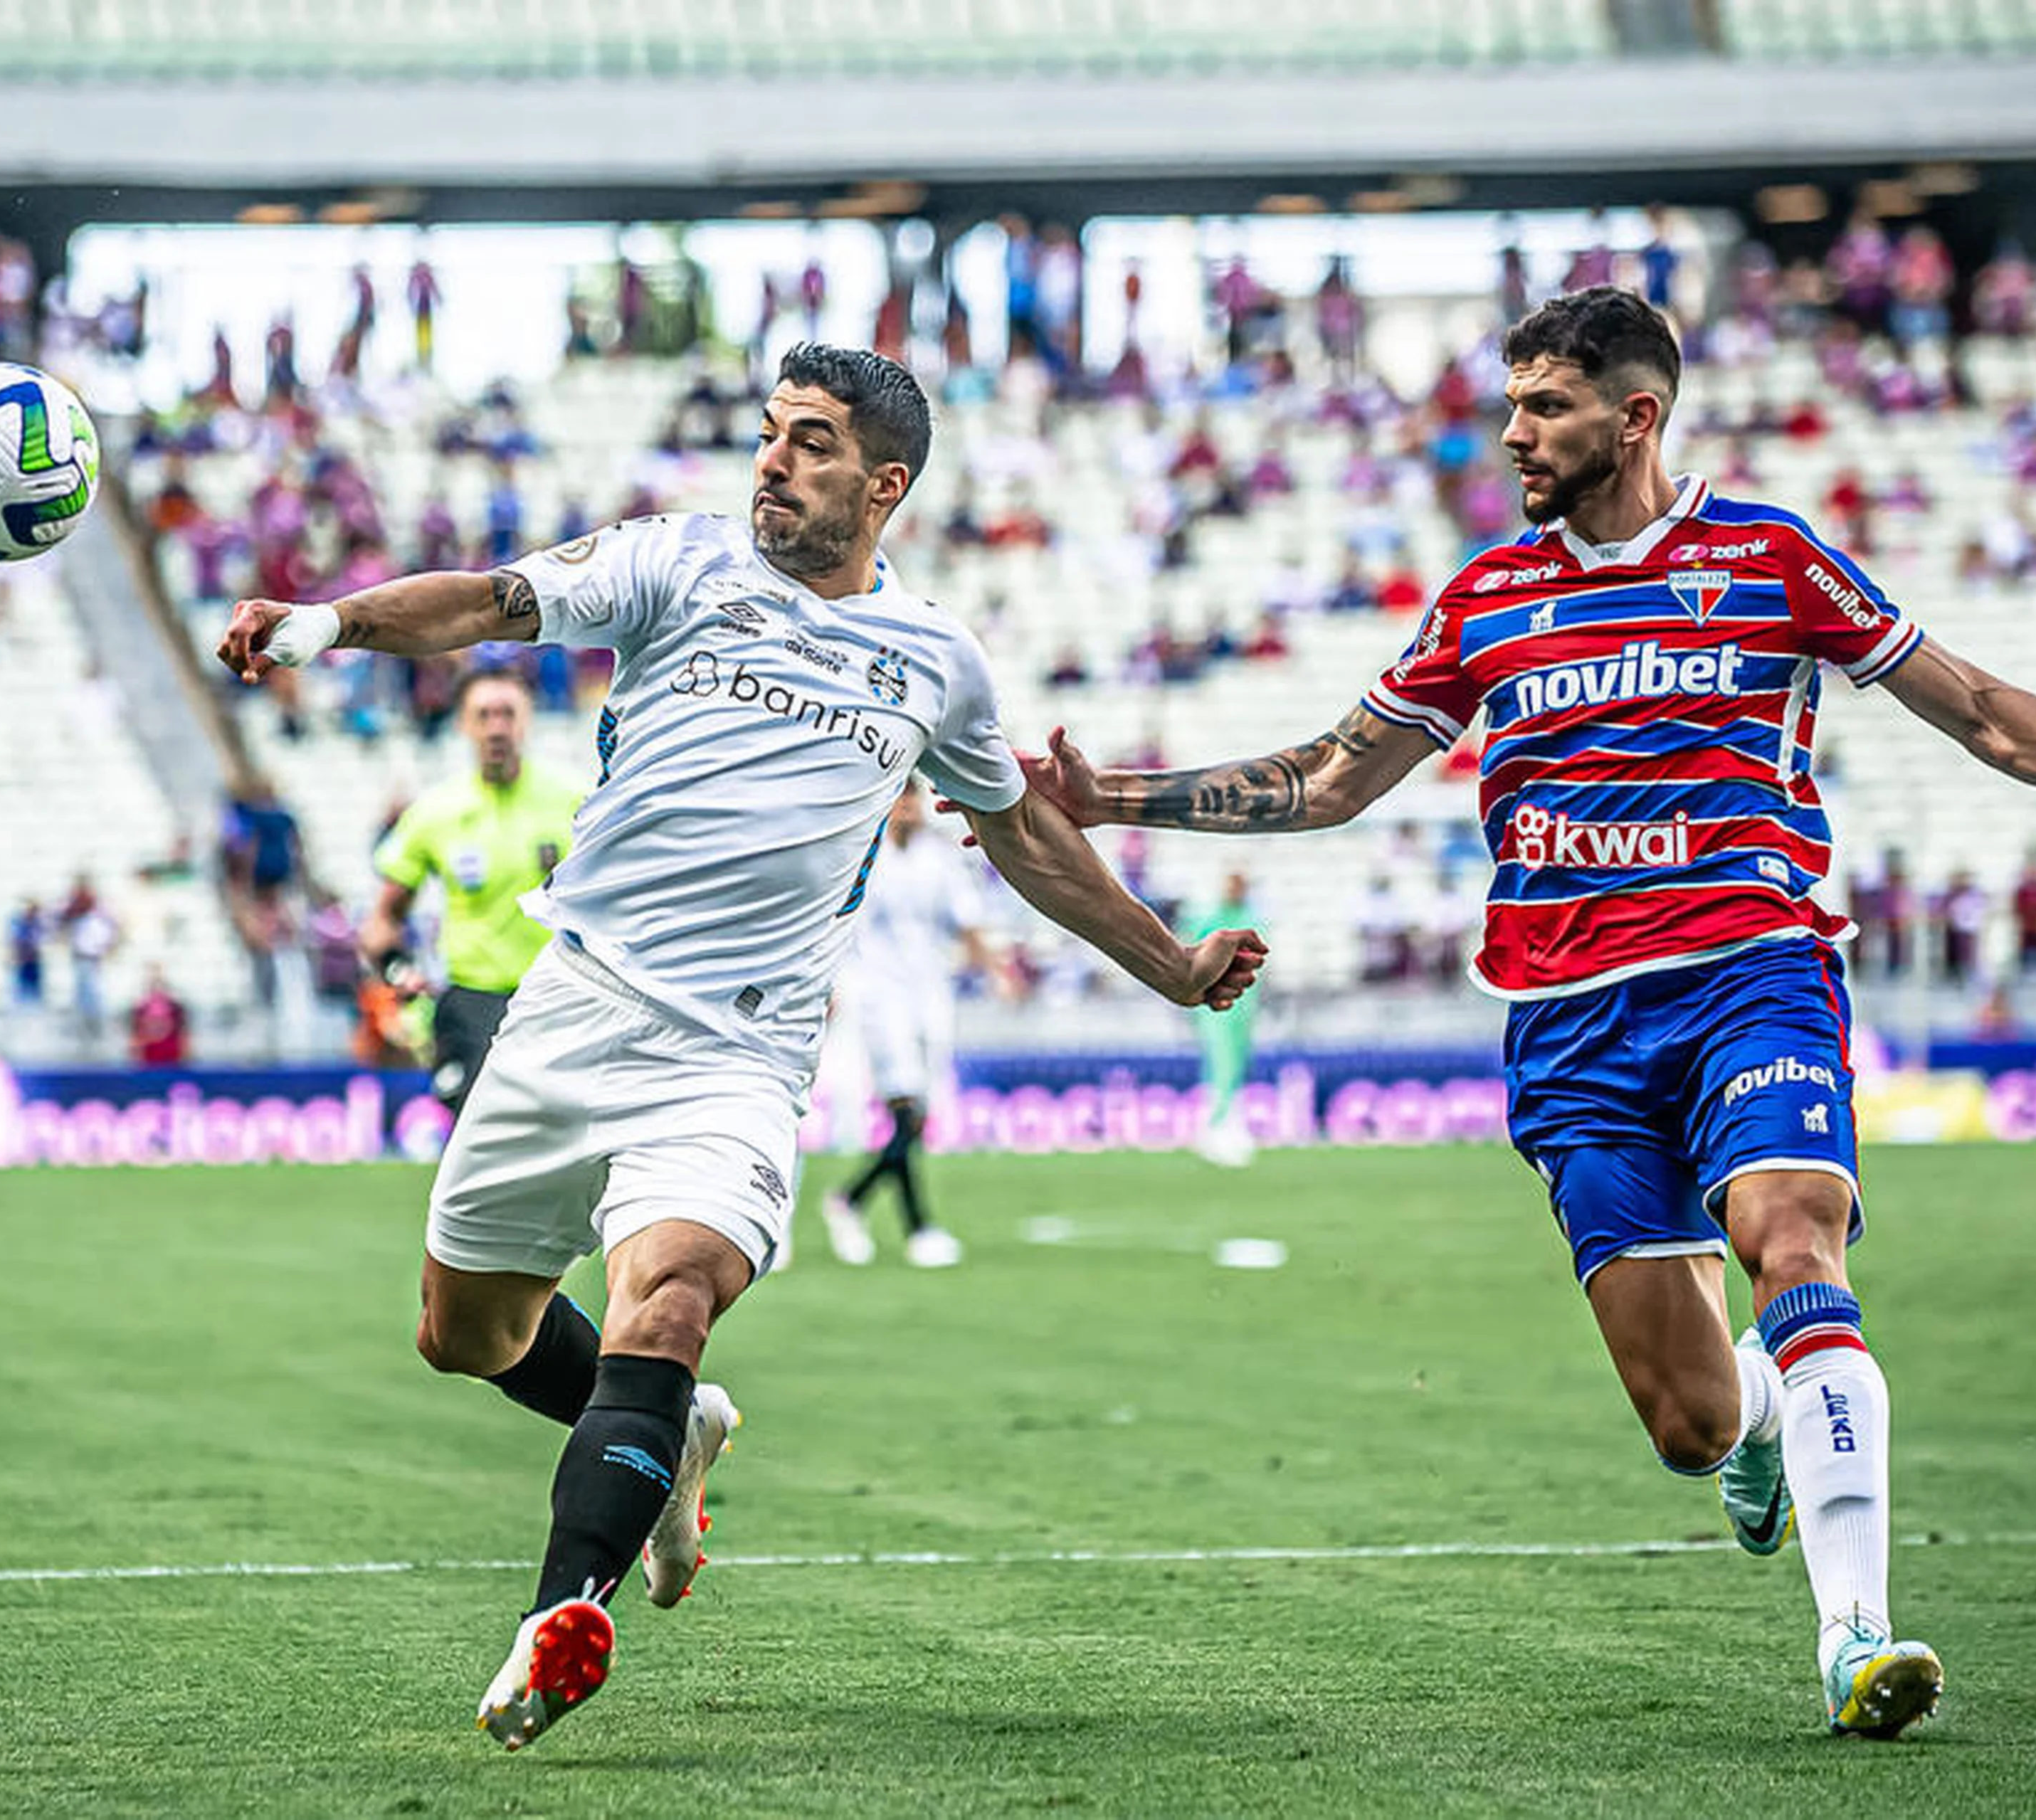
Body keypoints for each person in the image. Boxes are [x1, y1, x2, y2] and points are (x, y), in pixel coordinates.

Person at [1015, 288, 2036, 1740]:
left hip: (1750, 966)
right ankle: (1762, 1423)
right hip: (1567, 1020)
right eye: (1511, 405)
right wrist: (1108, 797)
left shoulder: (1769, 555)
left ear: (1635, 415)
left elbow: (1981, 708)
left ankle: (1856, 1633)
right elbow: (1329, 779)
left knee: (1793, 1232)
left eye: (1545, 406)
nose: (1514, 433)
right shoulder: (1488, 596)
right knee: (1691, 1421)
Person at [215, 343, 1263, 1754]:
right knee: (466, 1337)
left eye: (812, 442)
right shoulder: (672, 563)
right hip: (573, 1008)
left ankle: (557, 1615)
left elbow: (1026, 836)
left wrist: (1174, 964)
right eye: (772, 434)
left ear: (883, 485)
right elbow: (489, 599)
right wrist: (326, 625)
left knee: (667, 1302)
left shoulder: (936, 661)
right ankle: (679, 1436)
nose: (774, 458)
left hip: (740, 1057)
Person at [364, 667, 586, 1112]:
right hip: (471, 1001)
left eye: (508, 714)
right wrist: (396, 970)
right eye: (483, 715)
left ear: (526, 721)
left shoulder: (574, 801)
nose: (496, 727)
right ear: (464, 724)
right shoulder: (435, 812)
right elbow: (382, 921)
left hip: (557, 995)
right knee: (479, 1129)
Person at [820, 783, 1005, 1269]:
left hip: (930, 997)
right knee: (906, 1113)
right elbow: (834, 927)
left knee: (919, 1115)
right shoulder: (864, 854)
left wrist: (996, 970)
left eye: (913, 802)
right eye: (900, 801)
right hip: (879, 999)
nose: (908, 811)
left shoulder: (939, 860)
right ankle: (920, 1227)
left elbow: (965, 923)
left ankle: (851, 1201)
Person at [1186, 870, 1262, 1166]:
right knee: (1221, 1063)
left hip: (1245, 1004)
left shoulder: (1250, 916)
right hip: (1216, 1004)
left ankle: (1228, 1124)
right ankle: (1215, 1128)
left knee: (1236, 1063)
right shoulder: (1212, 917)